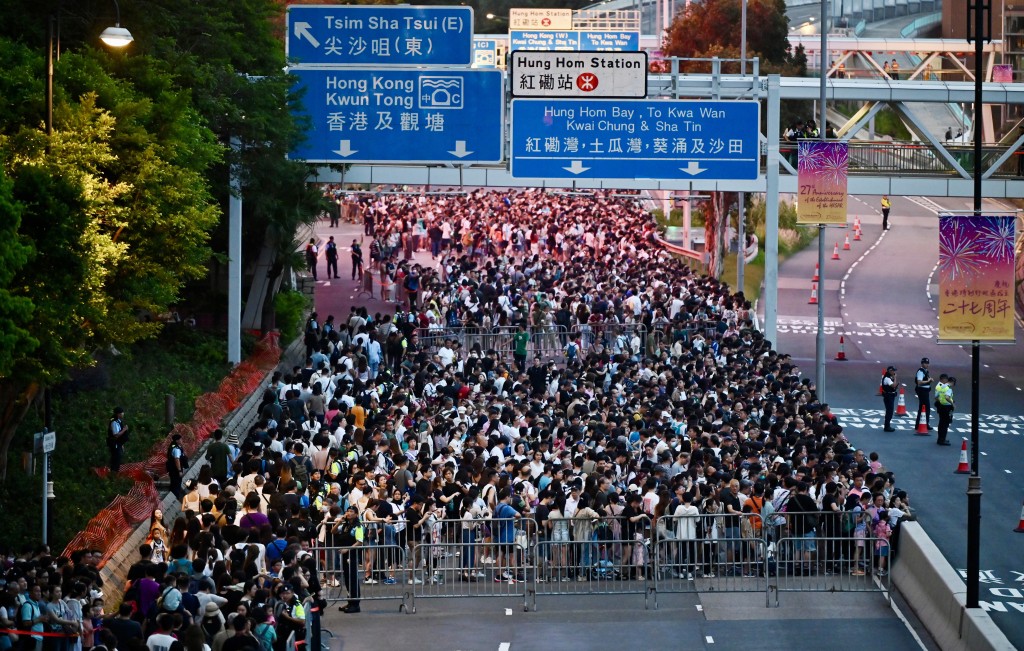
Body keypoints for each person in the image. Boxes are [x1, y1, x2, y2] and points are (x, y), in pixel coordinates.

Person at [107, 407, 129, 474]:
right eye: (122, 413)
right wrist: (124, 429)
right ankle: (113, 474)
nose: (123, 414)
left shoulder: (119, 422)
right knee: (115, 459)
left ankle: (114, 473)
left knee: (118, 459)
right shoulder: (114, 422)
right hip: (114, 443)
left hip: (118, 443)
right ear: (118, 414)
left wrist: (121, 444)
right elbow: (116, 435)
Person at [935, 375, 956, 446]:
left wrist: (940, 402)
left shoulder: (942, 387)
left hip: (941, 406)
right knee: (945, 424)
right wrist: (952, 404)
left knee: (941, 423)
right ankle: (942, 440)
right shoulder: (948, 388)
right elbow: (947, 397)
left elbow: (936, 397)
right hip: (946, 407)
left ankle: (939, 439)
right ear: (952, 382)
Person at [166, 434, 187, 499]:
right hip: (175, 470)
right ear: (177, 440)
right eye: (181, 439)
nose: (182, 440)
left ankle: (173, 496)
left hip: (172, 469)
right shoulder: (176, 449)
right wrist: (179, 470)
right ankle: (175, 497)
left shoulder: (173, 446)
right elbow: (177, 460)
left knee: (173, 483)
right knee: (176, 484)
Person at [914, 357, 932, 431]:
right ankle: (923, 424)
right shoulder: (921, 371)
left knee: (924, 407)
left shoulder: (925, 371)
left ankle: (922, 423)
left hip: (925, 391)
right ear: (922, 363)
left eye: (928, 363)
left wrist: (929, 380)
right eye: (925, 363)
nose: (927, 364)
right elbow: (919, 382)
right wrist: (928, 381)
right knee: (925, 408)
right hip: (922, 391)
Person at [881, 366, 898, 432]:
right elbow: (893, 385)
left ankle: (887, 425)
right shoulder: (887, 378)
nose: (894, 372)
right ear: (890, 371)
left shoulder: (889, 377)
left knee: (890, 411)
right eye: (893, 371)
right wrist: (895, 378)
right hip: (888, 396)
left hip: (890, 395)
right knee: (889, 411)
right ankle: (887, 426)